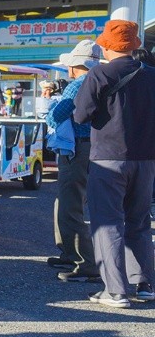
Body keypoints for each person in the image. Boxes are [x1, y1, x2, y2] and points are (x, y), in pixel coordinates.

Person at [73, 20, 155, 307]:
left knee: (108, 222)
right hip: (146, 160)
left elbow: (80, 115)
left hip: (108, 157)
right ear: (133, 45)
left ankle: (116, 290)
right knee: (139, 221)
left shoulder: (99, 74)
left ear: (107, 45)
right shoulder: (151, 75)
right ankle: (143, 283)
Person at [45, 40, 103, 283]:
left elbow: (57, 115)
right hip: (94, 147)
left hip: (75, 150)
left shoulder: (76, 86)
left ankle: (84, 262)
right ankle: (69, 252)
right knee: (68, 201)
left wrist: (50, 105)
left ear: (73, 66)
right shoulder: (100, 82)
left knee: (69, 205)